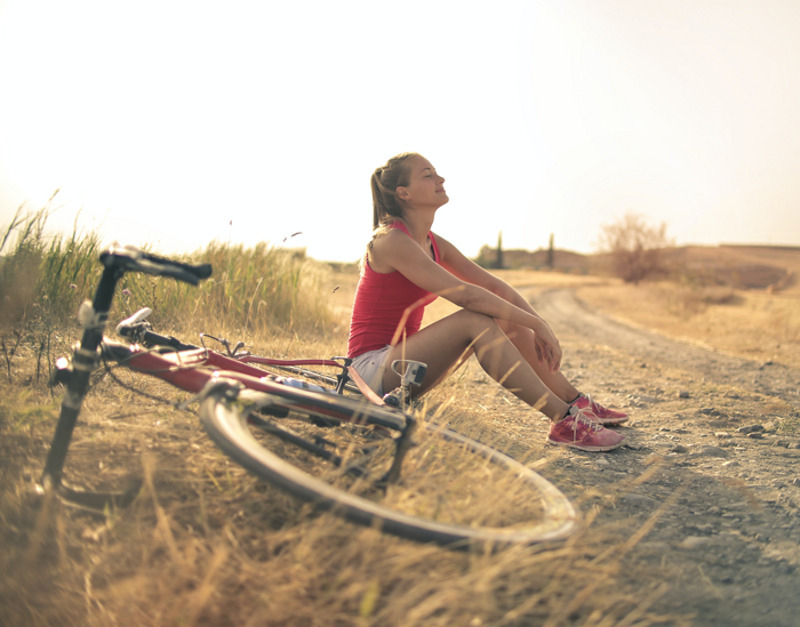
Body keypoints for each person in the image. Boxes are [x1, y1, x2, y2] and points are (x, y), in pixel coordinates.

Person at [347, 152, 627, 452]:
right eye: (428, 175)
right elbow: (466, 294)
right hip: (368, 372)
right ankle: (563, 420)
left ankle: (576, 403)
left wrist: (539, 324)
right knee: (475, 319)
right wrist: (535, 323)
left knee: (505, 315)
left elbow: (493, 286)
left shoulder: (432, 242)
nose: (440, 179)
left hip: (404, 370)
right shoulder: (390, 240)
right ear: (404, 193)